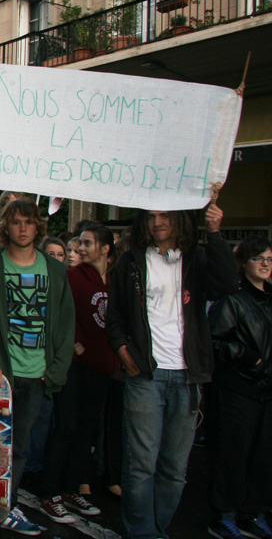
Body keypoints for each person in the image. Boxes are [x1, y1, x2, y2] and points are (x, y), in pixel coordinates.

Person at [107, 203, 236, 539]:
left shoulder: (196, 259)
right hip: (145, 375)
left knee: (175, 470)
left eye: (165, 215)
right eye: (151, 216)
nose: (158, 222)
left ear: (179, 219)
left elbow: (226, 284)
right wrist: (122, 348)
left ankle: (155, 530)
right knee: (140, 466)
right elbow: (115, 314)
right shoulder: (130, 262)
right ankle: (143, 533)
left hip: (188, 376)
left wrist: (216, 233)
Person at [0, 197, 75, 538]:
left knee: (19, 448)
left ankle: (6, 506)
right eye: (16, 221)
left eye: (29, 222)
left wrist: (56, 369)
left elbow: (64, 323)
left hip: (37, 374)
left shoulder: (55, 269)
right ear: (6, 226)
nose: (22, 228)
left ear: (38, 227)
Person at [40, 222, 117, 522]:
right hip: (73, 369)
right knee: (66, 428)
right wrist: (74, 344)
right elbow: (53, 313)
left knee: (87, 430)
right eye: (79, 244)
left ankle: (73, 489)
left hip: (102, 369)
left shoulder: (114, 282)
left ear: (105, 248)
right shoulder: (70, 277)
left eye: (87, 243)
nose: (80, 249)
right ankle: (49, 493)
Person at [206, 236, 272, 539]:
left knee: (261, 455)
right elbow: (213, 341)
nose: (265, 264)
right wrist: (248, 357)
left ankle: (252, 513)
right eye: (259, 258)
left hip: (266, 390)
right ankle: (225, 515)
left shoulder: (269, 298)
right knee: (232, 453)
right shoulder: (232, 300)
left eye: (269, 258)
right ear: (244, 262)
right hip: (237, 389)